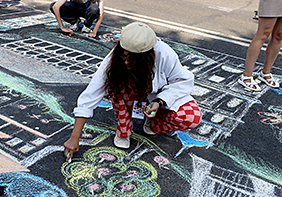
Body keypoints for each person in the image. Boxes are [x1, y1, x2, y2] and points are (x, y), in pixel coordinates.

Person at [63, 22, 202, 159]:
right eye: (124, 56)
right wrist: (74, 138)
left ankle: (153, 122)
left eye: (133, 59)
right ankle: (123, 129)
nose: (126, 62)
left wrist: (159, 102)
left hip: (153, 97)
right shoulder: (114, 57)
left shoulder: (165, 54)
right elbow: (92, 93)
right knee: (117, 85)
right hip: (130, 94)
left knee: (192, 117)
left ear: (147, 56)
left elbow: (183, 81)